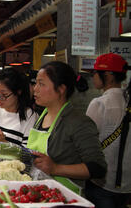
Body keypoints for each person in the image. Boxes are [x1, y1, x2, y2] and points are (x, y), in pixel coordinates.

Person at [27, 61, 107, 194]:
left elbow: (98, 168)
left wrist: (56, 168)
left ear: (61, 89)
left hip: (65, 198)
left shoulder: (78, 122)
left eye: (41, 84)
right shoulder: (43, 115)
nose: (35, 89)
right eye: (36, 83)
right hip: (40, 192)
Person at [84, 53, 130, 208]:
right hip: (127, 183)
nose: (93, 76)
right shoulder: (128, 100)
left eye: (95, 72)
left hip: (101, 181)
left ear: (108, 75)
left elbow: (86, 141)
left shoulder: (99, 104)